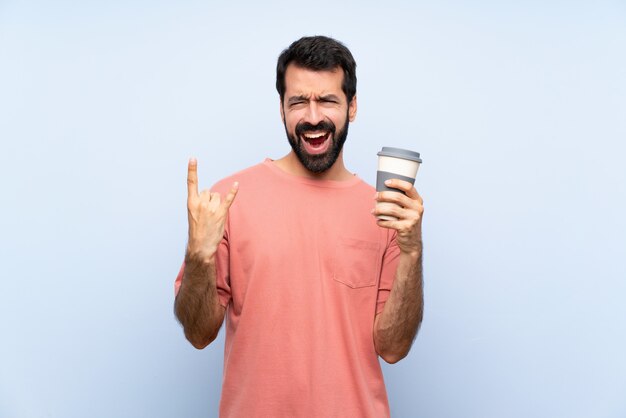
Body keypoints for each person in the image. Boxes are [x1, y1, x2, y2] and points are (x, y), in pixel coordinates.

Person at [174, 35, 424, 418]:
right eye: (298, 102)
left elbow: (393, 347)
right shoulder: (229, 199)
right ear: (281, 108)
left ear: (352, 106)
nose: (312, 117)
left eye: (327, 100)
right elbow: (198, 332)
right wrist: (198, 257)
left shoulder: (385, 211)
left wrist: (412, 251)